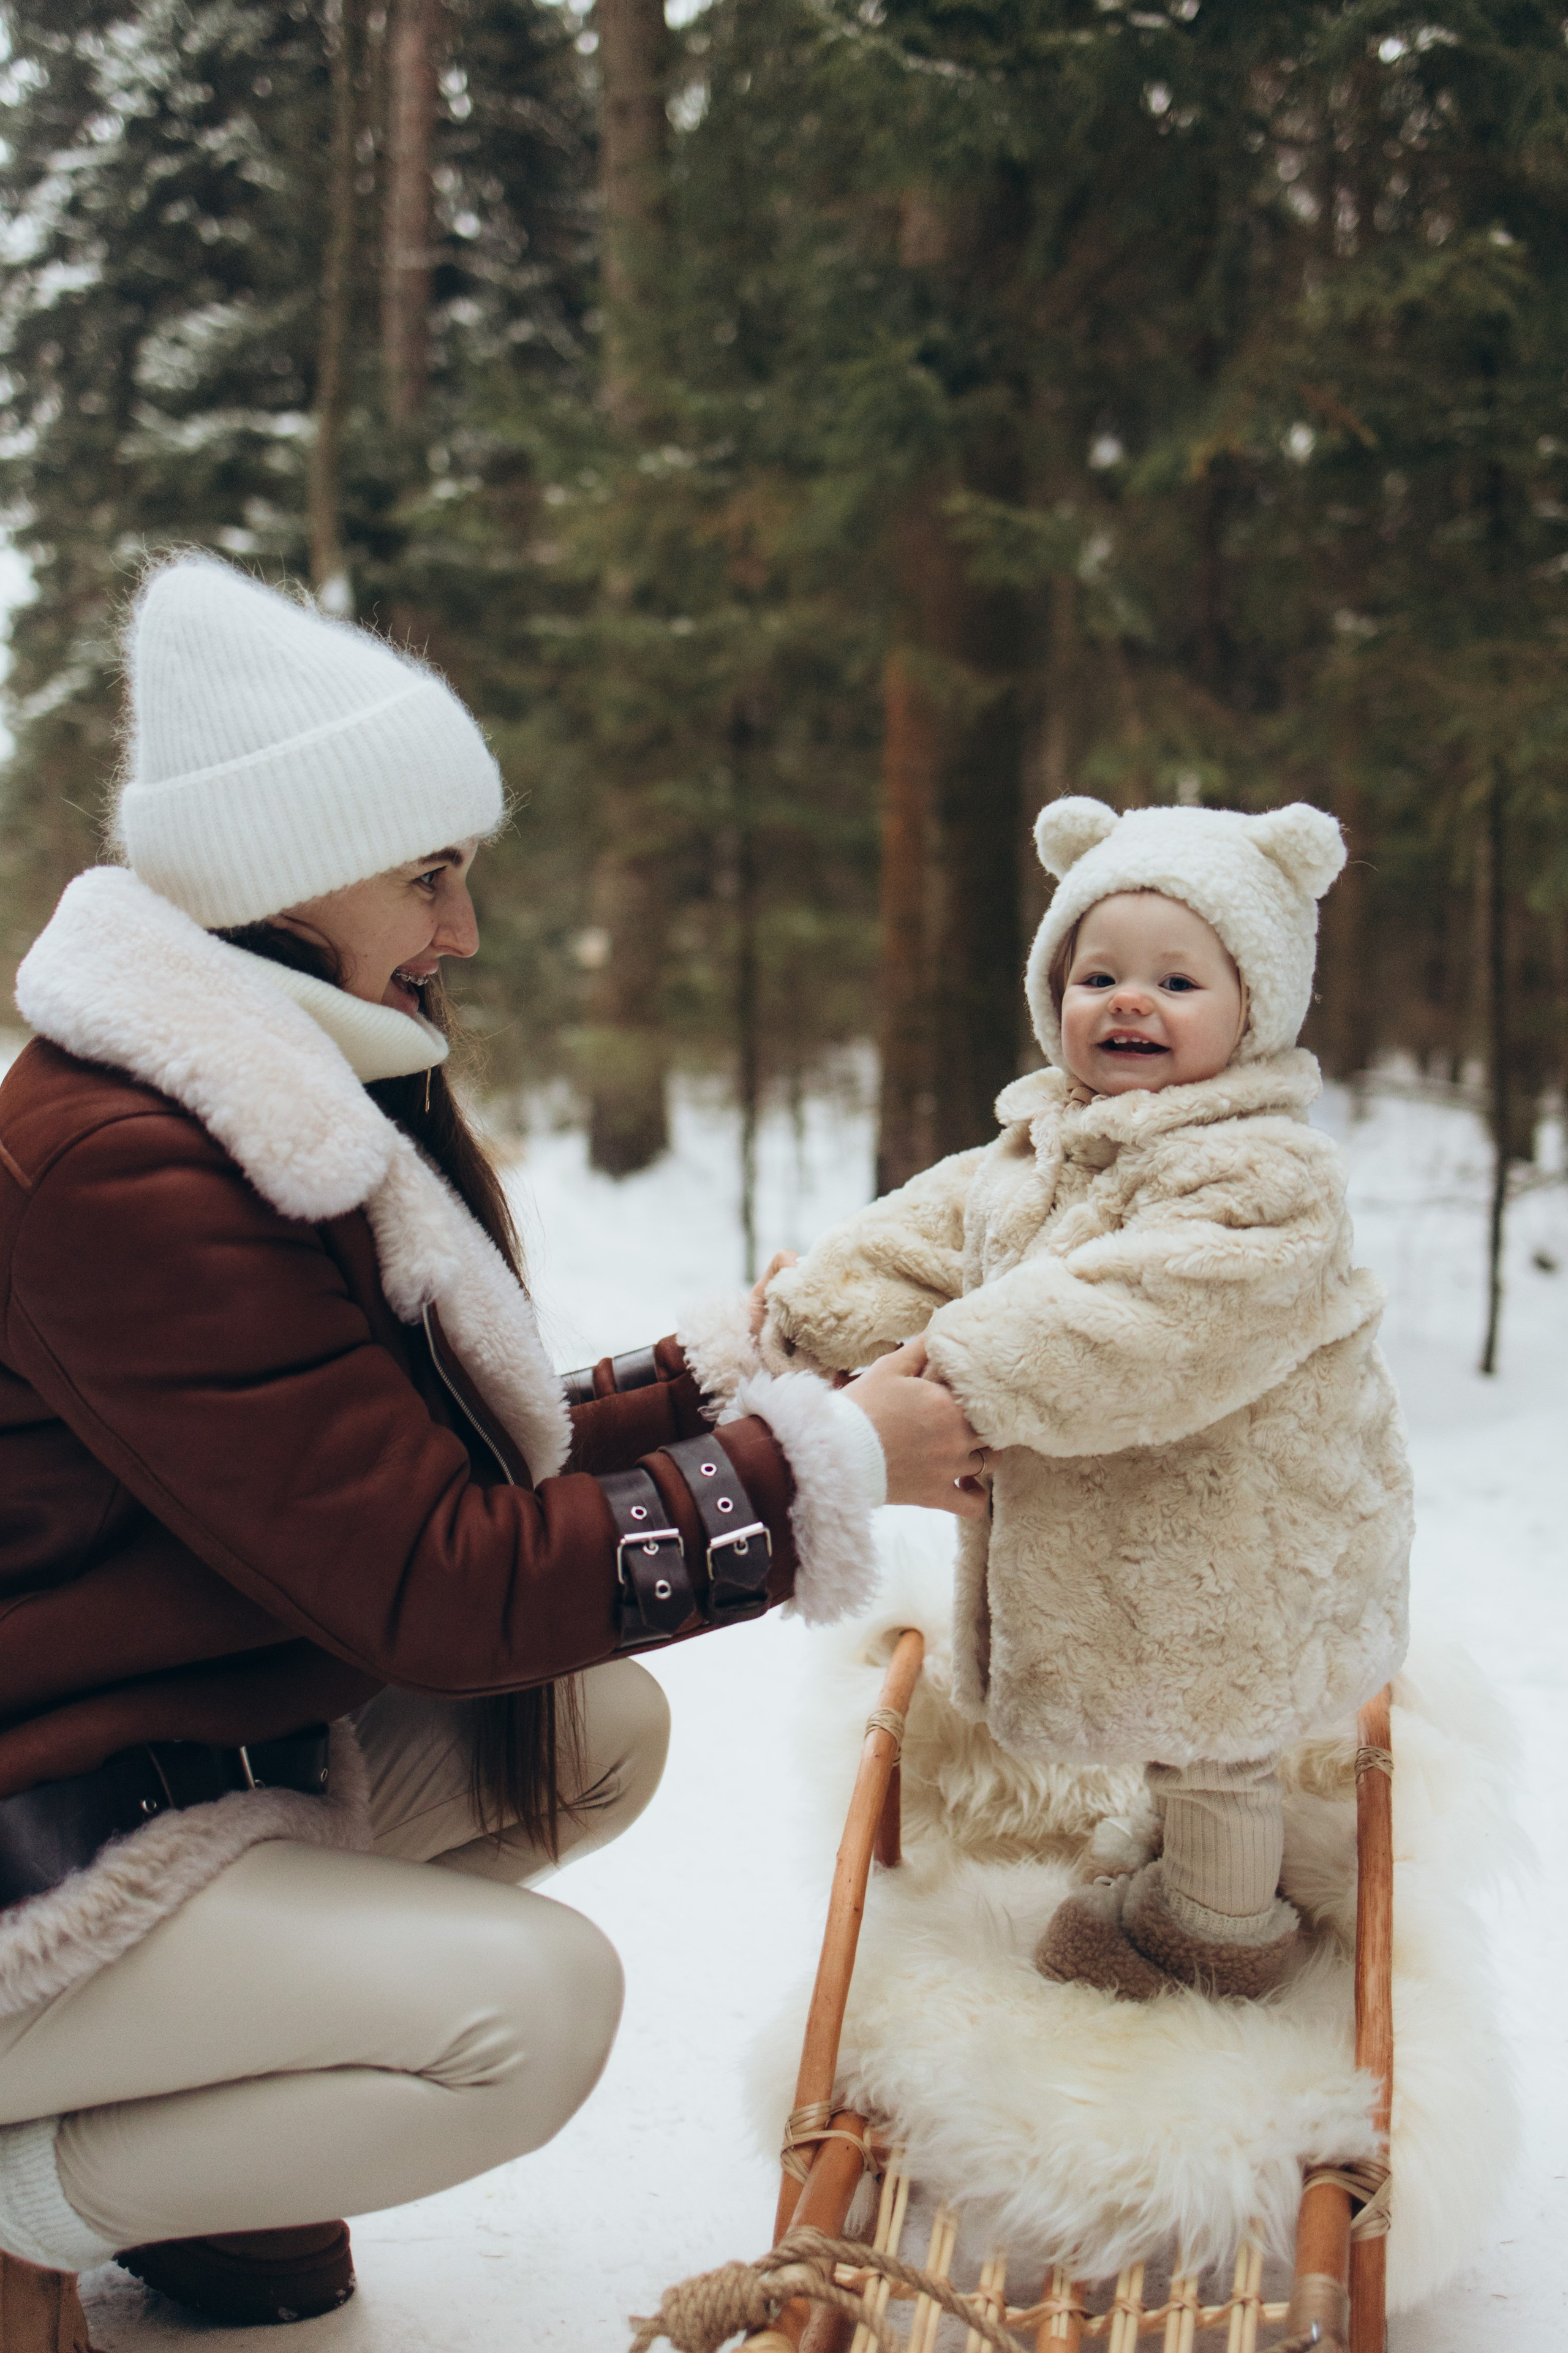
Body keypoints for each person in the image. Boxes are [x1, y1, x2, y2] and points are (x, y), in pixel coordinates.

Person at [0, 557, 984, 2347]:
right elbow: (434, 1584)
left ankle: (190, 2118)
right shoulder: (124, 1167)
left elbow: (401, 1463)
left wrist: (725, 1380)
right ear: (289, 875)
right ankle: (25, 2193)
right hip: (44, 1835)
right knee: (532, 2013)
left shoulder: (249, 1083)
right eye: (430, 877)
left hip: (166, 1743)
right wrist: (818, 1462)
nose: (462, 930)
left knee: (585, 1732)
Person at [748, 796, 1412, 2003]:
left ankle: (1219, 1929)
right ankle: (1165, 1852)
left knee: (1217, 1735)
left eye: (1175, 979)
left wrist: (961, 1368)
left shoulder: (1263, 1174)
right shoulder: (1047, 1140)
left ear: (1256, 1006)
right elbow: (938, 1228)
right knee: (1160, 1705)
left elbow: (1147, 1313)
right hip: (1141, 1521)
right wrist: (825, 1305)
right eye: (1093, 972)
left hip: (1246, 1529)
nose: (1126, 1000)